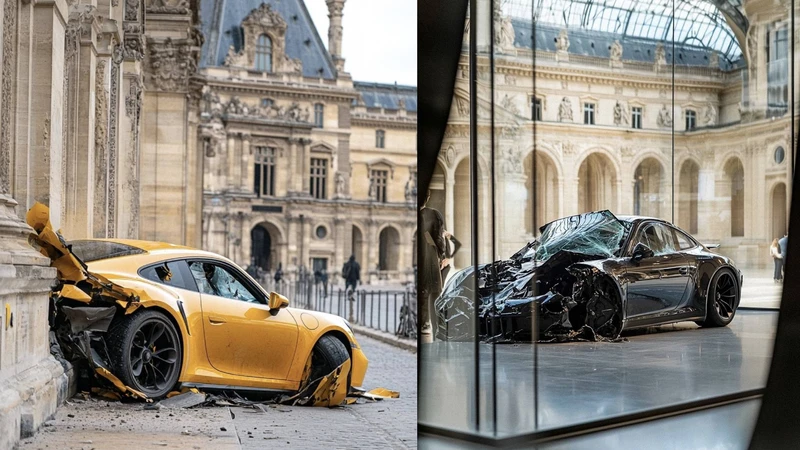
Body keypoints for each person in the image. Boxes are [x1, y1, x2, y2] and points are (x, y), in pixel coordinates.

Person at [419, 191, 446, 343]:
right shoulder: (434, 215)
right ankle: (436, 326)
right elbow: (439, 238)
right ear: (427, 198)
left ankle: (424, 323)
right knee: (435, 292)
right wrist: (441, 255)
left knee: (423, 293)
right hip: (430, 257)